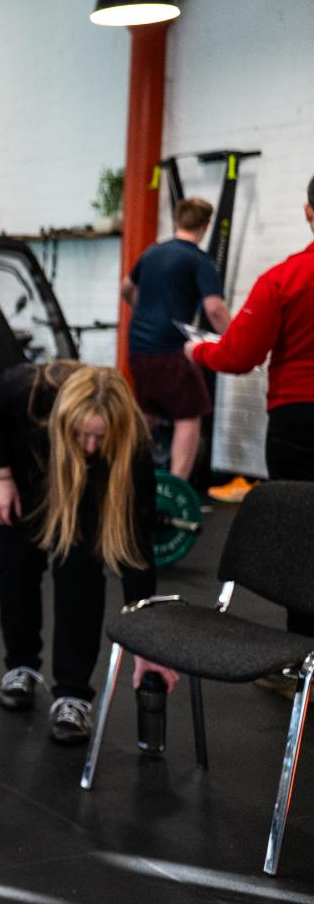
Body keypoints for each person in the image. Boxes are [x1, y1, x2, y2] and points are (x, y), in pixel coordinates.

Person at [0, 361, 172, 744]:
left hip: (92, 483)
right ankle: (20, 667)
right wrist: (1, 478)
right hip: (23, 467)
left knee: (81, 571)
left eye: (100, 438)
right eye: (84, 435)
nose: (89, 447)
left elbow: (136, 551)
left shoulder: (133, 453)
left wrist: (147, 646)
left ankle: (72, 695)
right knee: (17, 561)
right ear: (67, 418)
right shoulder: (30, 392)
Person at [186, 173, 314, 637]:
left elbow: (237, 356)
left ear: (307, 212)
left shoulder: (283, 279)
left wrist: (196, 351)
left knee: (304, 534)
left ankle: (303, 666)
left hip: (299, 422)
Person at [120, 196, 231, 480]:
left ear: (177, 221)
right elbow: (215, 309)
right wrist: (234, 340)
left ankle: (127, 478)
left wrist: (145, 313)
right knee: (189, 414)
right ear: (205, 226)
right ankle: (177, 486)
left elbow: (127, 289)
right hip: (170, 349)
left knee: (148, 411)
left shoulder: (151, 253)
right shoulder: (200, 260)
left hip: (139, 346)